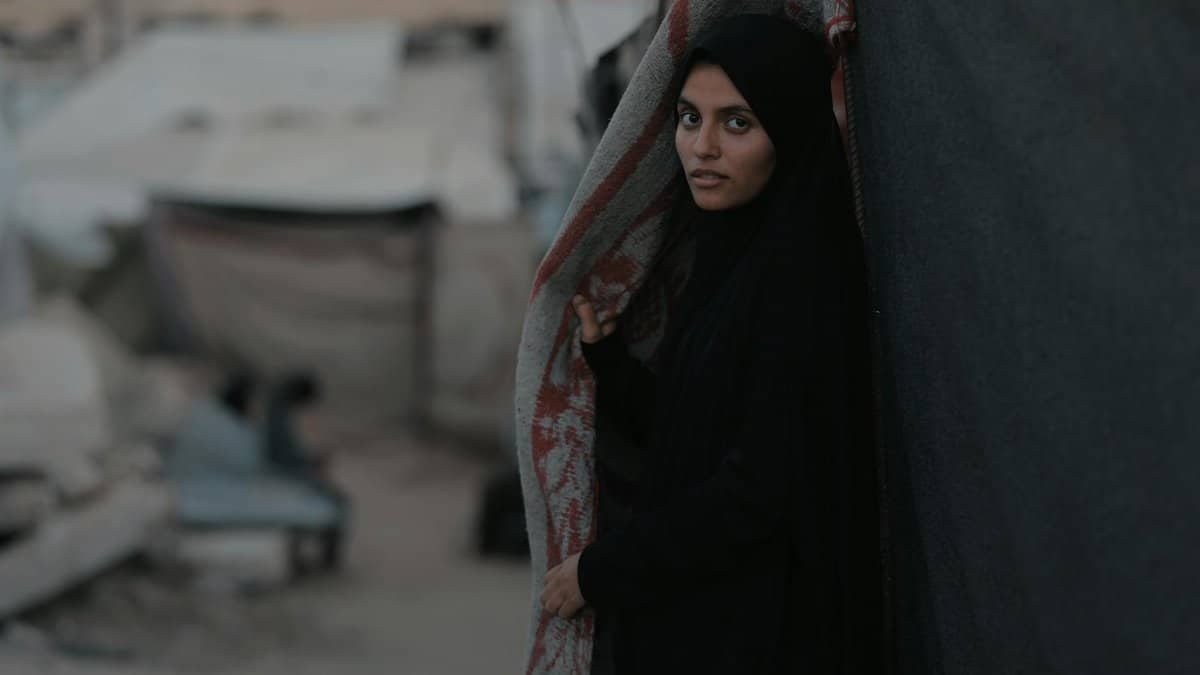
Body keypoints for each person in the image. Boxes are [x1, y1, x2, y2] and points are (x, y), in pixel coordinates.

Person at [537, 15, 884, 674]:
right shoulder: (730, 257)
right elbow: (693, 434)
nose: (701, 148)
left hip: (764, 637)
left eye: (737, 123)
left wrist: (603, 569)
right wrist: (608, 359)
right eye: (690, 118)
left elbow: (755, 493)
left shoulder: (801, 279)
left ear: (788, 130)